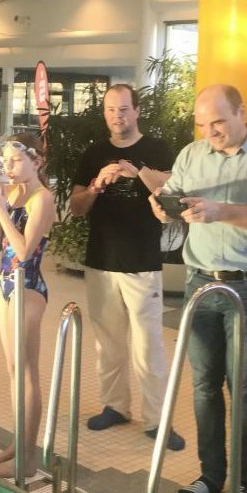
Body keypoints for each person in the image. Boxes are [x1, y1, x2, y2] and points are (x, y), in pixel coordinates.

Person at [148, 84, 247, 493]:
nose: (210, 131)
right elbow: (170, 194)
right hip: (200, 283)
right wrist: (165, 207)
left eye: (218, 122)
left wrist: (221, 211)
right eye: (203, 124)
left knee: (245, 388)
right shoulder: (192, 155)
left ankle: (243, 483)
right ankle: (211, 476)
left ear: (241, 112)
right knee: (204, 385)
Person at [69, 84, 183, 449]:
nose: (117, 116)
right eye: (110, 110)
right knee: (109, 344)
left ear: (136, 112)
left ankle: (157, 420)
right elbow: (76, 206)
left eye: (123, 109)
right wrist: (96, 186)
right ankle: (115, 406)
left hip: (142, 262)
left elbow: (172, 193)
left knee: (148, 346)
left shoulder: (156, 149)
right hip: (102, 260)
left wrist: (138, 173)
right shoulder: (93, 154)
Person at [0, 133, 55, 476]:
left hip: (29, 287)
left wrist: (2, 210)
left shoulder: (43, 198)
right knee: (11, 370)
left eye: (16, 160)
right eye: (5, 160)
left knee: (26, 372)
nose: (9, 166)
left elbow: (24, 251)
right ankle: (15, 444)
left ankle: (28, 458)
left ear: (37, 162)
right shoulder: (12, 193)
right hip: (6, 285)